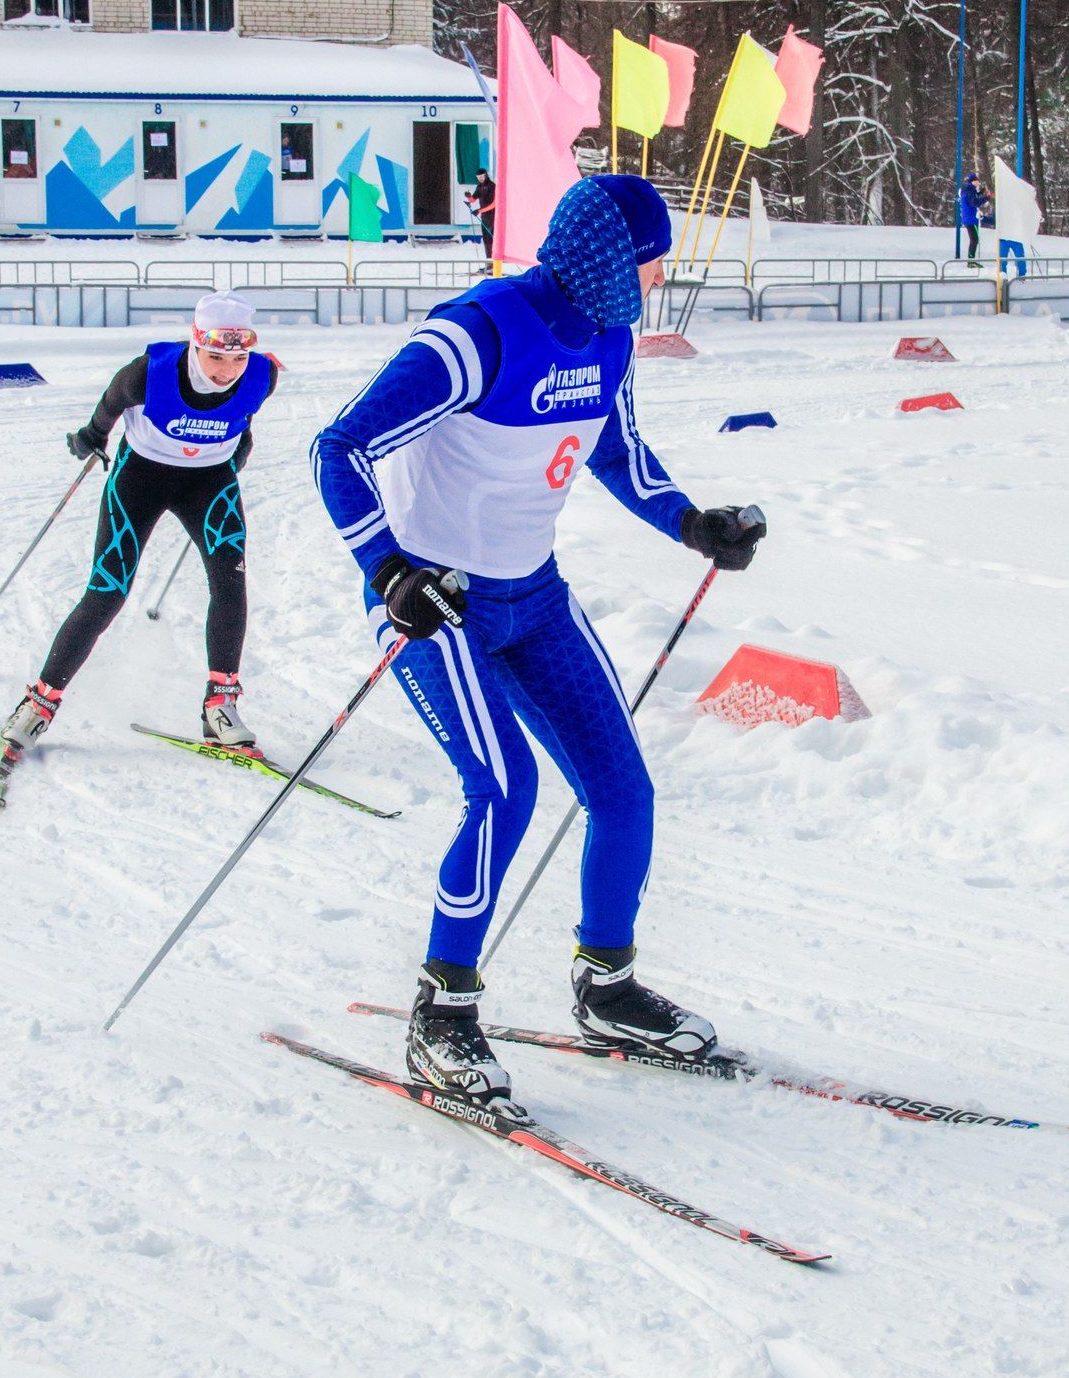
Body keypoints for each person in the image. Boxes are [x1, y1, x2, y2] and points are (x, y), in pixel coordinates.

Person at [313, 173, 766, 1108]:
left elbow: (616, 451)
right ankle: (442, 1016)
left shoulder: (607, 341)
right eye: (648, 263)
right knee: (504, 790)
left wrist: (692, 524)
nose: (655, 281)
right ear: (605, 258)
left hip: (536, 600)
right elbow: (337, 449)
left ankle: (606, 989)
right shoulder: (476, 334)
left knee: (623, 791)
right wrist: (389, 570)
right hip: (436, 606)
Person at [1, 293, 279, 758]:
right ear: (195, 343)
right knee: (107, 590)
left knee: (230, 584)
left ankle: (220, 705)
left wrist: (242, 440)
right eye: (214, 356)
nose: (226, 369)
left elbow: (244, 410)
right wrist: (90, 439)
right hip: (141, 478)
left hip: (209, 482)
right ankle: (37, 705)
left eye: (236, 358)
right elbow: (109, 407)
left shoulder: (263, 375)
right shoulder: (148, 373)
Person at [959, 173, 991, 263]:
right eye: (977, 181)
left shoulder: (968, 189)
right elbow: (974, 202)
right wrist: (986, 197)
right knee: (974, 240)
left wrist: (981, 192)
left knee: (974, 239)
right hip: (971, 219)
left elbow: (973, 197)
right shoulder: (969, 190)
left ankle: (971, 261)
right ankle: (971, 261)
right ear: (972, 181)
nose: (978, 182)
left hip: (969, 218)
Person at [465, 168, 496, 258]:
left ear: (486, 175)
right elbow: (473, 199)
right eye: (478, 177)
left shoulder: (492, 186)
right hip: (484, 217)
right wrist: (468, 196)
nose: (480, 179)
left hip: (492, 216)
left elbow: (494, 204)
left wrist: (479, 211)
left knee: (490, 239)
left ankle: (493, 262)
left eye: (482, 176)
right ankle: (488, 262)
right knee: (486, 239)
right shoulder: (479, 187)